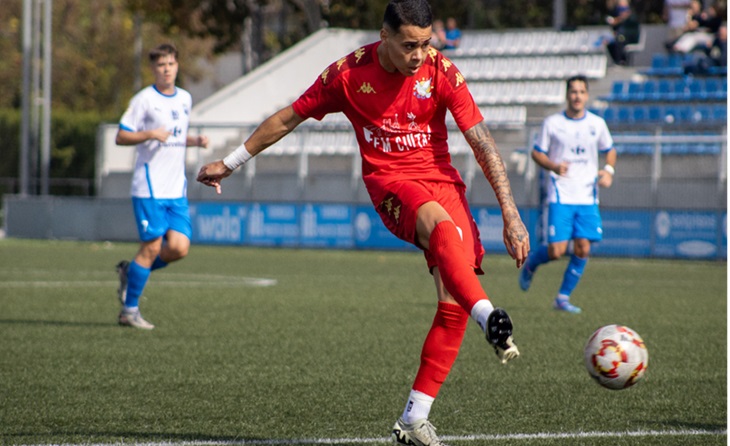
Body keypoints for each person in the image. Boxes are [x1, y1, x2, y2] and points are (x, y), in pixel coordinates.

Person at [196, 1, 530, 444]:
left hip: (444, 182)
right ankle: (489, 315)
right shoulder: (348, 75)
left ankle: (414, 419)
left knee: (453, 301)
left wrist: (511, 214)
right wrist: (232, 162)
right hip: (391, 183)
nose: (419, 55)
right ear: (385, 36)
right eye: (409, 45)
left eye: (426, 44)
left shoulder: (441, 70)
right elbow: (288, 117)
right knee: (443, 231)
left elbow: (482, 142)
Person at [114, 43, 209, 330]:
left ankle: (131, 273)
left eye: (170, 64)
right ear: (153, 69)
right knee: (152, 246)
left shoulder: (185, 99)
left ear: (177, 66)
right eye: (160, 65)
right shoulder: (144, 100)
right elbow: (121, 136)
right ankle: (129, 311)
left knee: (179, 248)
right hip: (150, 187)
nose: (166, 69)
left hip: (175, 188)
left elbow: (175, 136)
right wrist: (149, 134)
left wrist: (194, 141)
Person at [518, 75, 616, 314]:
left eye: (582, 92)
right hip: (561, 194)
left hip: (587, 196)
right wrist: (553, 166)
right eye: (573, 91)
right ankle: (532, 262)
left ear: (587, 95)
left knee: (583, 248)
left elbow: (610, 150)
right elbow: (536, 153)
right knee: (557, 251)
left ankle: (562, 298)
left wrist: (608, 171)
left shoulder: (596, 124)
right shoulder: (552, 123)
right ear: (567, 95)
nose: (577, 96)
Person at [604, 0, 640, 65]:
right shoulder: (618, 17)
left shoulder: (632, 18)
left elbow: (631, 31)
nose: (622, 11)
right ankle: (616, 61)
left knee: (620, 40)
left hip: (630, 38)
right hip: (621, 37)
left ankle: (622, 61)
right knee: (609, 43)